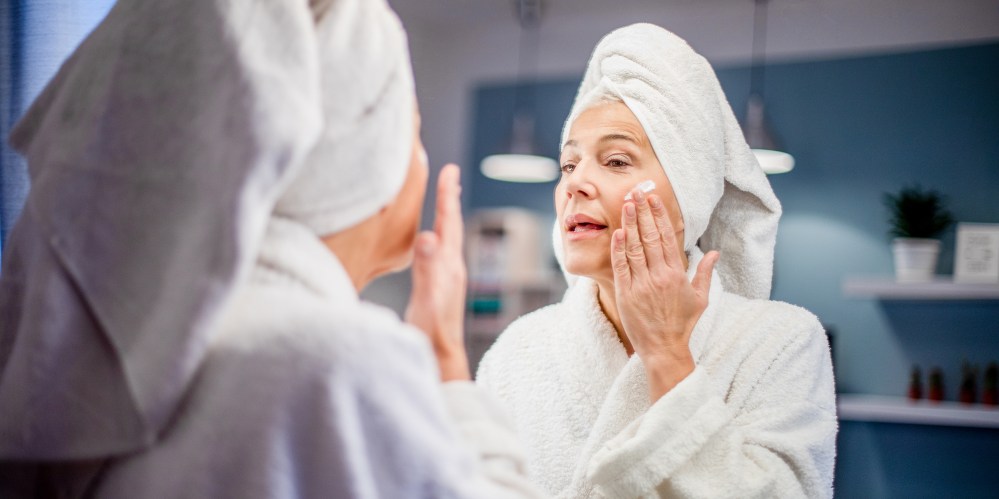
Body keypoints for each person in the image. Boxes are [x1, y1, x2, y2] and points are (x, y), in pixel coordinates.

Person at [0, 1, 542, 497]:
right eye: (413, 131)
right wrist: (446, 353)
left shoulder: (103, 354)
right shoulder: (333, 362)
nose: (422, 160)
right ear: (356, 157)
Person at [476, 24, 837, 498]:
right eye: (569, 164)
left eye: (617, 161)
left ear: (689, 192)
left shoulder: (779, 342)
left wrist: (668, 354)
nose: (575, 184)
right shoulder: (519, 350)